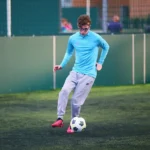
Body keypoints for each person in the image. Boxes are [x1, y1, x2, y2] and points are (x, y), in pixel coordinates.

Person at [51, 14, 109, 134]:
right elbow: (68, 53)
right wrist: (61, 65)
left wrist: (100, 62)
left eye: (86, 29)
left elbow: (106, 47)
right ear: (78, 26)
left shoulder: (96, 37)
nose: (83, 31)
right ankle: (59, 119)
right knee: (64, 91)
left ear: (89, 26)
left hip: (89, 75)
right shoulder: (72, 38)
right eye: (81, 29)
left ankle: (73, 124)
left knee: (76, 101)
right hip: (75, 72)